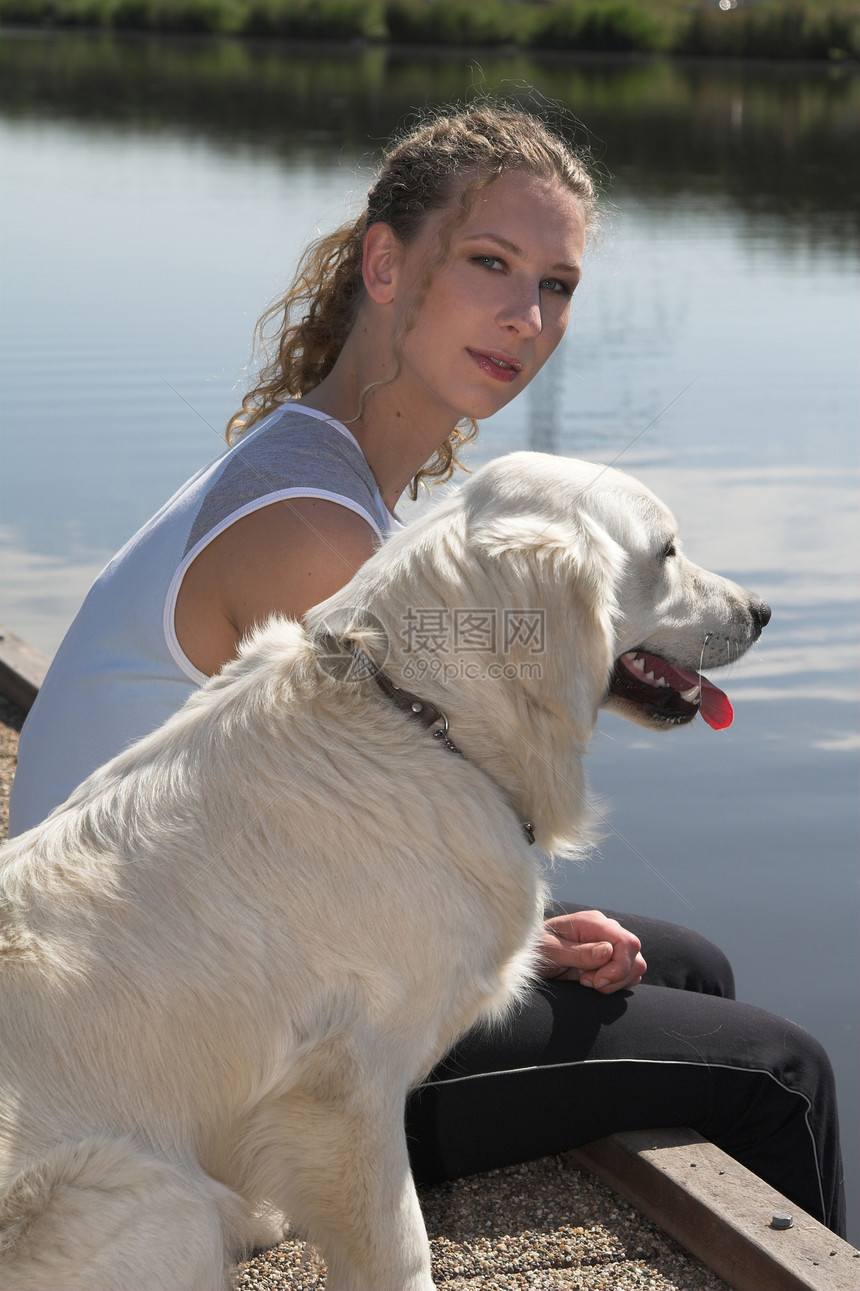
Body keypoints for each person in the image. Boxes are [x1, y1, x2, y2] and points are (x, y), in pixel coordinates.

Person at [8, 101, 845, 1236]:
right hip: (162, 1050)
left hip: (210, 945)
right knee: (778, 1074)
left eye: (556, 284)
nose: (526, 314)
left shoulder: (321, 471)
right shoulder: (322, 540)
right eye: (490, 264)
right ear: (386, 263)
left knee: (683, 963)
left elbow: (377, 817)